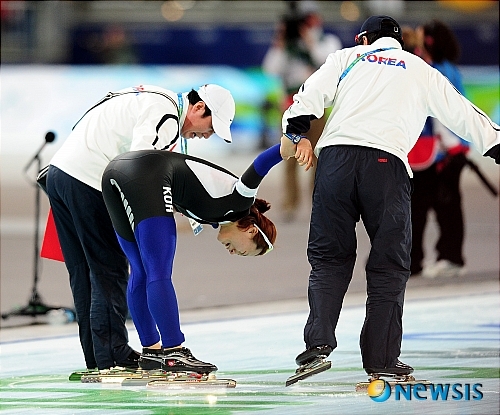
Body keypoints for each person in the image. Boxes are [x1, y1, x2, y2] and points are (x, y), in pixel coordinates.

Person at [279, 15, 500, 377]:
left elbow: (308, 96)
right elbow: (463, 113)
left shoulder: (346, 57)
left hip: (334, 161)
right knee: (389, 266)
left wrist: (298, 131)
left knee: (329, 258)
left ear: (363, 37)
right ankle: (381, 360)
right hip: (386, 165)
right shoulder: (419, 68)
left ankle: (317, 344)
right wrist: (497, 144)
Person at [46, 83, 235, 371]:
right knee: (109, 269)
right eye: (211, 126)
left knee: (83, 272)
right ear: (198, 108)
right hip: (87, 179)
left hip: (60, 173)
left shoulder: (155, 98)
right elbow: (138, 165)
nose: (207, 135)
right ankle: (114, 354)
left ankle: (98, 357)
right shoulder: (167, 115)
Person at [100, 141, 314, 372]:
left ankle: (151, 352)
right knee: (158, 272)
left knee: (141, 270)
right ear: (251, 230)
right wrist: (292, 141)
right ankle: (174, 352)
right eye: (243, 251)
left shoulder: (216, 214)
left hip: (116, 170)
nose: (233, 253)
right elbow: (260, 164)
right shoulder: (241, 202)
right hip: (146, 173)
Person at [262, 0, 342, 221]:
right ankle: (290, 203)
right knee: (288, 156)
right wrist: (280, 43)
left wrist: (309, 42)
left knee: (317, 156)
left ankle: (318, 203)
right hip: (290, 105)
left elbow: (326, 64)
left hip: (316, 107)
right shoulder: (287, 44)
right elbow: (270, 69)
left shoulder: (327, 41)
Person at [409, 20, 470, 278]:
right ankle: (437, 257)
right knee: (432, 205)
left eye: (422, 37)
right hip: (444, 148)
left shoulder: (438, 71)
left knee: (444, 206)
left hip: (445, 149)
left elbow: (444, 113)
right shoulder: (442, 68)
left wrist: (449, 145)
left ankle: (450, 257)